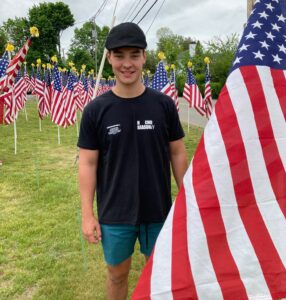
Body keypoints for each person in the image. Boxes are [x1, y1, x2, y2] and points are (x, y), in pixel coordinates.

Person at [78, 22, 188, 300]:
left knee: (163, 275)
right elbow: (88, 163)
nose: (127, 63)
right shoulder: (95, 111)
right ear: (109, 58)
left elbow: (177, 152)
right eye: (119, 55)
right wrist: (88, 214)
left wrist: (188, 198)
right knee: (117, 275)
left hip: (159, 210)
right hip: (115, 213)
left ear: (144, 58)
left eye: (134, 54)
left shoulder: (163, 105)